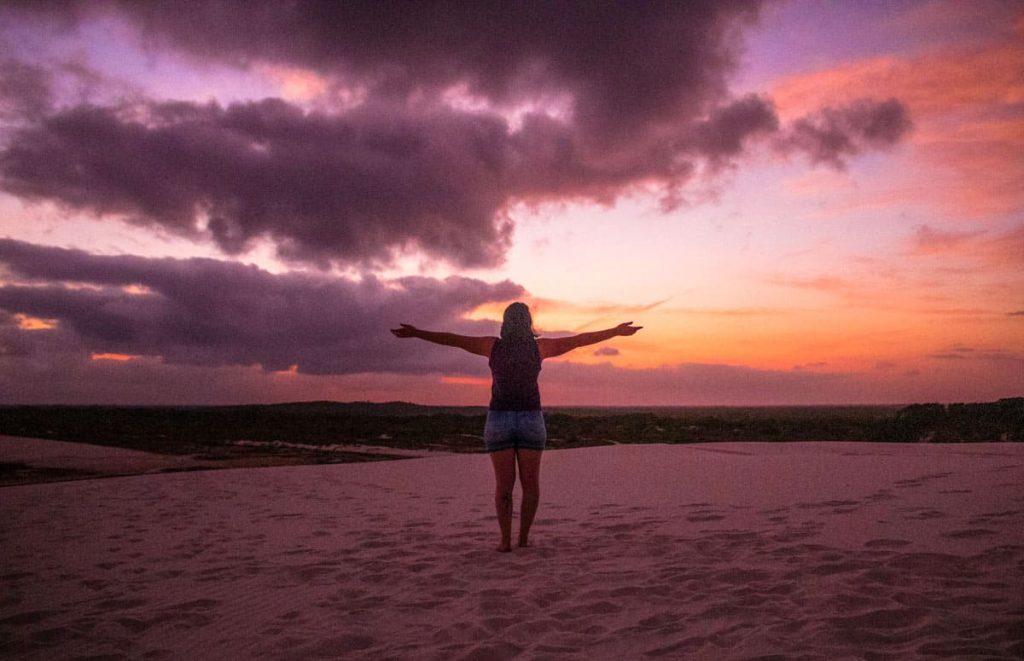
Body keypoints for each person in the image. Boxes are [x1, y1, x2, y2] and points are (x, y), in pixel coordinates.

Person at [391, 302, 641, 552]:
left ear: (505, 322)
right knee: (530, 484)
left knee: (504, 486)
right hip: (530, 419)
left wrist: (417, 332)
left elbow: (453, 339)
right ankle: (522, 539)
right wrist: (615, 331)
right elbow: (580, 340)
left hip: (499, 418)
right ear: (528, 322)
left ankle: (505, 541)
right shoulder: (539, 347)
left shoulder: (492, 346)